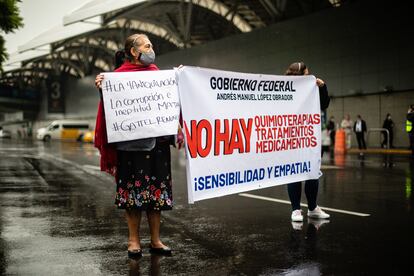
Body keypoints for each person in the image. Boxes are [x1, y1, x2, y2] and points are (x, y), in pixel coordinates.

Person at [94, 34, 182, 258]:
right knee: (133, 197)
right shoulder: (117, 78)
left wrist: (180, 79)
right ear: (134, 51)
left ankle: (155, 240)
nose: (151, 50)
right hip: (130, 149)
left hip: (157, 146)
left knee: (157, 195)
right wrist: (102, 89)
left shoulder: (156, 74)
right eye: (147, 46)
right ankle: (133, 241)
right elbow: (111, 110)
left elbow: (170, 103)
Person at [284, 62, 330, 222]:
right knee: (294, 173)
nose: (310, 76)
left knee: (312, 172)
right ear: (299, 75)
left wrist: (322, 87)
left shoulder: (313, 88)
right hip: (292, 137)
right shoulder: (285, 89)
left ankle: (312, 208)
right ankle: (296, 209)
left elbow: (324, 104)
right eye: (307, 74)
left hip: (310, 136)